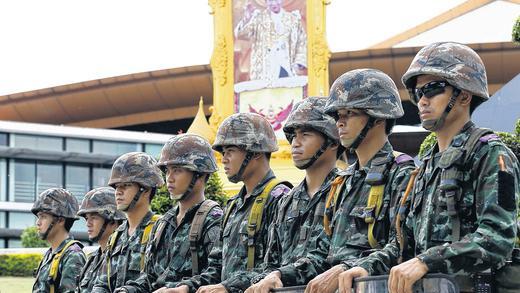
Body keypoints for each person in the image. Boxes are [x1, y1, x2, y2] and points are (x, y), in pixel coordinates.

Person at [338, 42, 520, 293]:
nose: (422, 100)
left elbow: (497, 239)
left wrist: (427, 260)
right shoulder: (424, 168)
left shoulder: (490, 154)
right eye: (417, 92)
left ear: (464, 95)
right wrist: (368, 266)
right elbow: (403, 244)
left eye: (433, 89)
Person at [250, 69, 416, 293]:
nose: (340, 123)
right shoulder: (342, 184)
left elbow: (406, 245)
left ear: (378, 117)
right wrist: (279, 274)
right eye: (338, 115)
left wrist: (347, 268)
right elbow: (321, 252)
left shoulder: (402, 173)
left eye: (349, 114)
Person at [171, 113, 292, 293]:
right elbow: (216, 268)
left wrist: (228, 287)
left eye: (231, 151)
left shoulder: (280, 198)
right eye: (223, 152)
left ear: (256, 152)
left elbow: (278, 267)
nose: (224, 159)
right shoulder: (233, 206)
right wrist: (185, 288)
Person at [244, 96, 342, 293]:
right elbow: (270, 263)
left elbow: (333, 258)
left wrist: (280, 274)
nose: (295, 143)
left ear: (332, 142)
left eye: (305, 135)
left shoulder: (345, 191)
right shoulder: (287, 201)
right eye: (293, 136)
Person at [114, 134, 223, 293]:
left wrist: (181, 288)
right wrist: (128, 289)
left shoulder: (213, 218)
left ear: (200, 174)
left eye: (177, 170)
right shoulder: (164, 223)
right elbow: (150, 277)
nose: (169, 178)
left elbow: (218, 273)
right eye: (167, 171)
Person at [92, 152, 164, 292]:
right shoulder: (116, 236)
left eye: (125, 185)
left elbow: (160, 280)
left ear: (146, 190)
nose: (118, 192)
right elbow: (101, 283)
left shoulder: (161, 229)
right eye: (117, 186)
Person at [235, 0, 307, 81]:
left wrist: (299, 62)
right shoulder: (258, 18)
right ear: (266, 2)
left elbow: (302, 41)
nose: (274, 4)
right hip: (264, 71)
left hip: (287, 68)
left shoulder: (293, 19)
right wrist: (247, 18)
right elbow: (241, 35)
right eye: (270, 1)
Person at [32, 188, 86, 293]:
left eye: (43, 217)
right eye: (38, 217)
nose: (38, 222)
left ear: (61, 220)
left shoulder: (73, 256)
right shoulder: (51, 253)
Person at [77, 187, 125, 293]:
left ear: (112, 221)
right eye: (86, 218)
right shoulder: (92, 259)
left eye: (94, 218)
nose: (88, 223)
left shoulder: (124, 256)